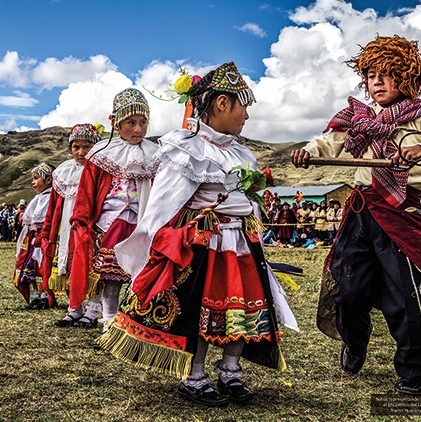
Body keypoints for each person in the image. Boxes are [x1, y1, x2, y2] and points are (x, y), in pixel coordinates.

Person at [98, 63, 298, 406]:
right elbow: (162, 203)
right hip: (205, 245)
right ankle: (195, 376)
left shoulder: (240, 153)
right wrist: (145, 243)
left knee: (246, 310)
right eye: (243, 105)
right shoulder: (187, 149)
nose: (247, 115)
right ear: (221, 103)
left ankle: (231, 371)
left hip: (241, 245)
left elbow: (248, 201)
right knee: (200, 310)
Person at [291, 35, 421, 394]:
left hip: (401, 210)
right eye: (371, 74)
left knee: (406, 294)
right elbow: (328, 142)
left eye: (387, 74)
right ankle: (354, 344)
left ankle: (413, 370)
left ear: (406, 78)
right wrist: (308, 151)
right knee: (347, 288)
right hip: (360, 211)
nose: (377, 81)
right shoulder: (358, 118)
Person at [68, 88, 159, 332]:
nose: (138, 129)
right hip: (110, 221)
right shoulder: (101, 154)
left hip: (142, 220)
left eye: (143, 122)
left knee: (141, 274)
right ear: (117, 123)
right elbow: (86, 191)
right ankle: (108, 320)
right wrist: (81, 221)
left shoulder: (156, 154)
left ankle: (135, 321)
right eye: (131, 122)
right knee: (111, 275)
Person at [35, 123, 101, 318]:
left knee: (93, 269)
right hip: (66, 228)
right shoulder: (62, 173)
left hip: (90, 226)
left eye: (86, 146)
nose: (81, 152)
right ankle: (74, 308)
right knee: (70, 267)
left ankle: (93, 309)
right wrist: (47, 232)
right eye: (76, 147)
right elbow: (53, 207)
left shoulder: (101, 170)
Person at [13, 162, 55, 309]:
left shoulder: (52, 198)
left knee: (42, 267)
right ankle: (36, 295)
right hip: (32, 239)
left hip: (45, 238)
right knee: (31, 267)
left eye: (36, 178)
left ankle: (45, 296)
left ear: (48, 180)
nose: (33, 182)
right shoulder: (37, 199)